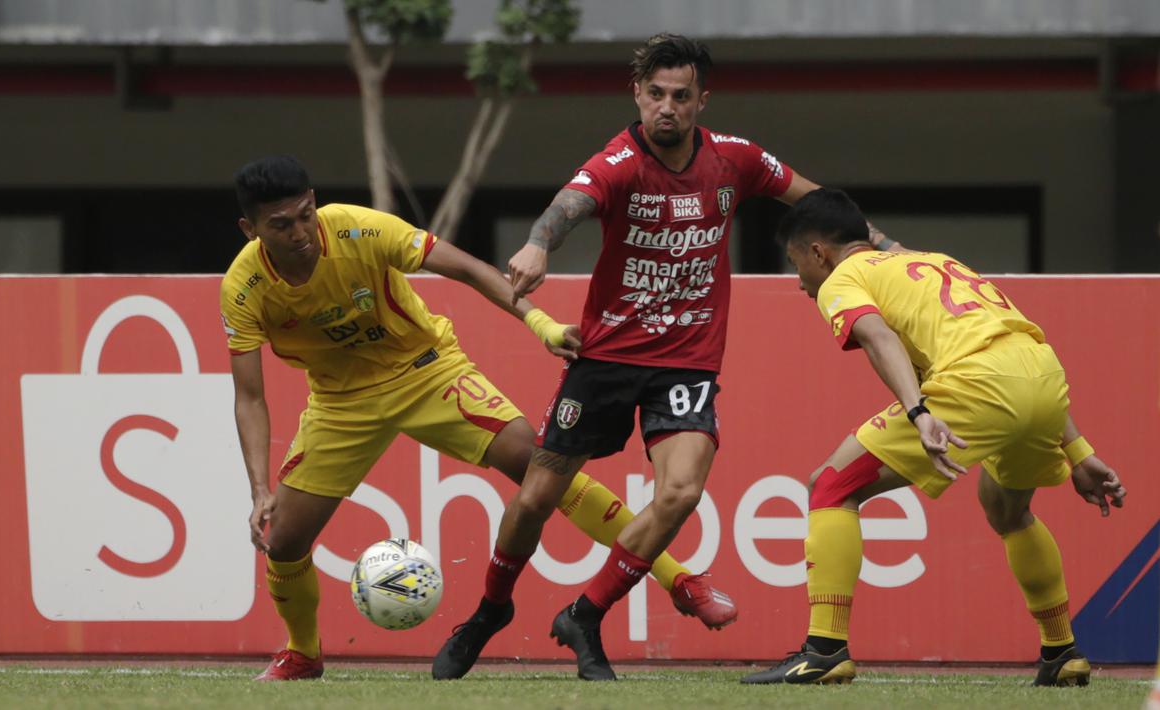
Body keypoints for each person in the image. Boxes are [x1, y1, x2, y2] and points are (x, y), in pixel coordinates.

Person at [433, 34, 893, 682]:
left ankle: (586, 614)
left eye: (680, 96)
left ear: (702, 100)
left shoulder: (735, 159)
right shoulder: (618, 162)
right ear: (637, 95)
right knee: (536, 496)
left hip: (687, 362)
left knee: (680, 492)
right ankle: (489, 611)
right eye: (655, 94)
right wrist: (538, 245)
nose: (666, 107)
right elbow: (568, 206)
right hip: (605, 357)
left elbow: (819, 205)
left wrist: (884, 248)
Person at [220, 155, 734, 682]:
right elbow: (250, 398)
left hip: (427, 372)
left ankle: (679, 579)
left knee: (541, 469)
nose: (300, 232)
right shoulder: (243, 287)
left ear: (314, 203)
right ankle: (303, 653)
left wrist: (540, 324)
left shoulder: (360, 228)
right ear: (249, 229)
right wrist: (259, 488)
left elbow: (467, 268)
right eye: (280, 225)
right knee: (283, 540)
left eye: (305, 214)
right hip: (340, 403)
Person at [739, 188, 1127, 687]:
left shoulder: (844, 277)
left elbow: (877, 337)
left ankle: (824, 650)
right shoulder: (936, 261)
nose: (799, 282)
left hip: (978, 382)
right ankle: (1062, 652)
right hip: (1045, 377)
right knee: (1007, 510)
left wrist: (918, 411)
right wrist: (1078, 451)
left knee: (831, 484)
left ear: (819, 252)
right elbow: (1015, 354)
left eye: (797, 265)